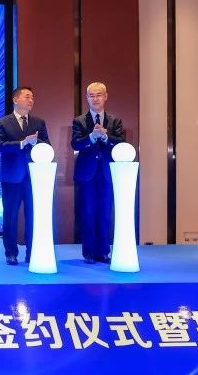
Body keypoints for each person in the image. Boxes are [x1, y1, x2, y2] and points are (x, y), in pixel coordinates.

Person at [0, 86, 50, 265]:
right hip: (11, 176)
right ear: (15, 100)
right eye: (27, 97)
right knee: (10, 216)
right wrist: (22, 143)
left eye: (32, 97)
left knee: (33, 215)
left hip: (34, 177)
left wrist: (36, 142)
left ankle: (32, 252)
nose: (31, 100)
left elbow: (47, 146)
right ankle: (11, 252)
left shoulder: (39, 122)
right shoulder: (3, 122)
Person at [70, 81, 127, 264]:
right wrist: (91, 137)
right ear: (87, 98)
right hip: (87, 175)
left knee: (105, 214)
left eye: (99, 95)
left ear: (106, 97)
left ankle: (103, 252)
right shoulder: (79, 121)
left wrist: (105, 136)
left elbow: (121, 143)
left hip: (107, 174)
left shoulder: (115, 121)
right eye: (91, 96)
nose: (95, 99)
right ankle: (88, 252)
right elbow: (75, 143)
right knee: (87, 214)